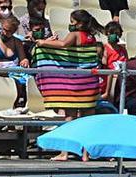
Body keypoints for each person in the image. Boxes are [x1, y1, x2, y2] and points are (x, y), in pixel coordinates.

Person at [35, 9, 102, 160]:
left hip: (75, 84)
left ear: (79, 23)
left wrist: (44, 42)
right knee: (87, 121)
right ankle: (86, 154)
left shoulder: (75, 34)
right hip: (89, 83)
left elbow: (64, 45)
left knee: (69, 118)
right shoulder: (91, 37)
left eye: (72, 22)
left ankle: (64, 152)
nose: (70, 25)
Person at [99, 21, 127, 110]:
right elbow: (104, 65)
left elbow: (127, 62)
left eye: (117, 33)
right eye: (111, 33)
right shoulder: (105, 48)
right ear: (107, 34)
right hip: (111, 77)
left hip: (122, 76)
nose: (114, 35)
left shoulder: (123, 49)